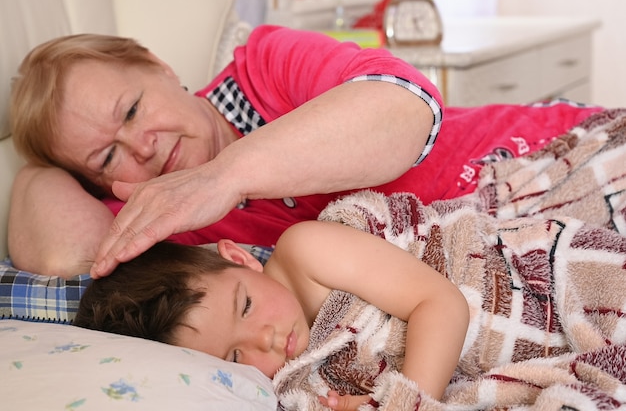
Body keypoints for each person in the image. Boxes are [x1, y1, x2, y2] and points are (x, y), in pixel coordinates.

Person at [8, 25, 602, 279]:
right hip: (510, 253)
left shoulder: (264, 65)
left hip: (547, 154)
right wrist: (35, 169)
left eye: (132, 110)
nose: (140, 147)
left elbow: (407, 108)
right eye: (105, 157)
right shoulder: (155, 218)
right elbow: (69, 264)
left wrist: (227, 175)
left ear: (160, 68)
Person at [73, 220, 470, 410]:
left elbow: (440, 302)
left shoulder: (307, 251)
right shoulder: (286, 386)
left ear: (240, 259)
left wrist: (404, 404)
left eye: (245, 306)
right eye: (234, 357)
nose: (263, 340)